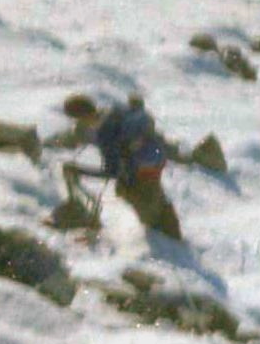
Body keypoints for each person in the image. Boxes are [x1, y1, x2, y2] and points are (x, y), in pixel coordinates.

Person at [53, 93, 183, 240]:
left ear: (81, 117)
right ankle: (175, 239)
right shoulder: (116, 111)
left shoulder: (105, 131)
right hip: (154, 161)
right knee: (156, 204)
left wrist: (79, 170)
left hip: (139, 174)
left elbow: (111, 172)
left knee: (152, 221)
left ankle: (171, 247)